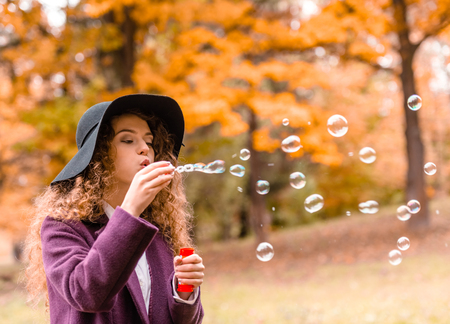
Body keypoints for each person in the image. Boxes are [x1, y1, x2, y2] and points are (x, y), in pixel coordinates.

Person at [23, 94, 205, 323]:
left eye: (149, 141)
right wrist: (129, 210)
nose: (144, 149)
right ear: (98, 155)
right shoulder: (61, 227)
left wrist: (184, 292)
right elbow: (87, 294)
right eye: (128, 140)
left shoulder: (158, 229)